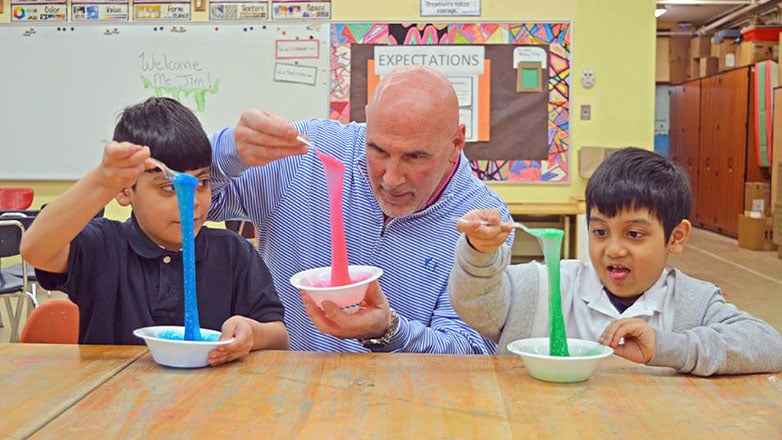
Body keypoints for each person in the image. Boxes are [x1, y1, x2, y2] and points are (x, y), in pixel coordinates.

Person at [208, 65, 512, 353]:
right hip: (286, 390)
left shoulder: (482, 223)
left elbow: (471, 351)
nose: (391, 179)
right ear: (368, 120)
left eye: (415, 157)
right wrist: (230, 152)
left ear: (456, 141)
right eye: (377, 150)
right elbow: (201, 204)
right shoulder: (304, 156)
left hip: (405, 402)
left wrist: (389, 331)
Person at [448, 147, 782, 376]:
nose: (614, 249)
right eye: (600, 232)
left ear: (676, 237)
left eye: (634, 235)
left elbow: (769, 346)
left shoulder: (690, 303)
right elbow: (477, 306)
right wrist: (479, 254)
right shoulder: (549, 284)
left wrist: (669, 347)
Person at [20, 97, 288, 366]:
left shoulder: (233, 252)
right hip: (112, 400)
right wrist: (102, 180)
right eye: (169, 188)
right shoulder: (103, 246)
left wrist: (252, 333)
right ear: (125, 190)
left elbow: (279, 337)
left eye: (203, 182)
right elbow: (35, 249)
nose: (192, 202)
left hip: (210, 401)